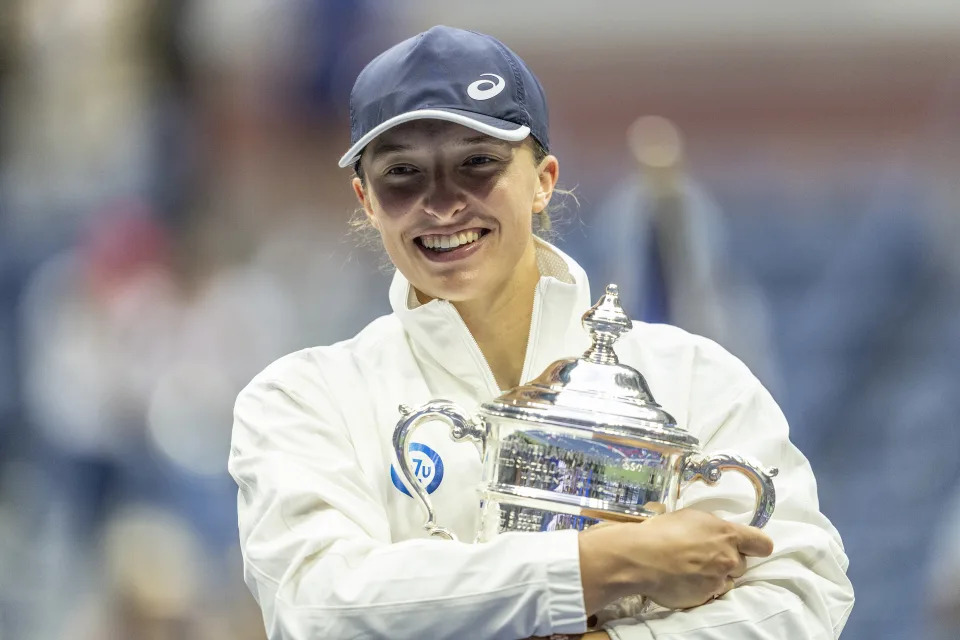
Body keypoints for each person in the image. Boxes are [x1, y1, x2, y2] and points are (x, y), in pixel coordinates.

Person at [229, 26, 854, 639]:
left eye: (478, 164)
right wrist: (610, 564)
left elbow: (803, 594)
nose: (443, 204)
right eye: (403, 174)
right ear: (366, 200)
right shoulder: (303, 400)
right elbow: (320, 609)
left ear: (543, 179)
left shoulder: (693, 377)